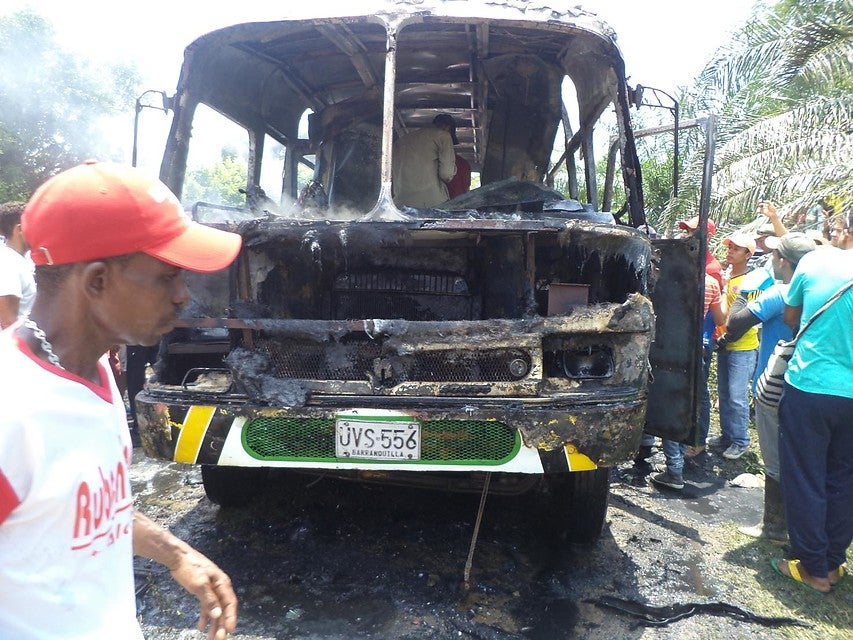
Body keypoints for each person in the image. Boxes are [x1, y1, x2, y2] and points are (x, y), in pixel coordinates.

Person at [0, 161, 241, 638]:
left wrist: (176, 552)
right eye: (167, 277)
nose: (184, 296)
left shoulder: (94, 372)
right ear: (96, 282)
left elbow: (73, 507)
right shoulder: (13, 409)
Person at [772, 211, 853, 593]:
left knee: (805, 477)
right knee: (844, 477)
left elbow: (791, 317)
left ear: (840, 232)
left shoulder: (816, 262)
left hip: (812, 386)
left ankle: (814, 569)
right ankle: (833, 562)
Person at [725, 233, 816, 541]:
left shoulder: (780, 293)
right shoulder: (822, 292)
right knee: (806, 458)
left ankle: (775, 527)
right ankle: (804, 528)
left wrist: (743, 293)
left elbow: (736, 322)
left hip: (774, 386)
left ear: (783, 262)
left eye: (775, 256)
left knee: (775, 459)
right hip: (811, 387)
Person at [651, 272, 726, 490]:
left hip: (663, 346)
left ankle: (673, 470)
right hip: (693, 348)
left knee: (661, 402)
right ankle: (680, 455)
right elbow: (721, 319)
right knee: (684, 403)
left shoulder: (662, 278)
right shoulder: (711, 283)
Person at [713, 232, 759, 460]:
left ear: (748, 255)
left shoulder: (750, 283)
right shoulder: (728, 278)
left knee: (737, 396)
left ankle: (741, 441)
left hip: (742, 347)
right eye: (729, 246)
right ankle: (727, 436)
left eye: (736, 248)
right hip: (725, 345)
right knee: (724, 393)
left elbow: (742, 318)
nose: (730, 251)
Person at [392, 113, 458, 208]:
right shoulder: (444, 136)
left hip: (400, 203)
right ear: (447, 127)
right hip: (431, 202)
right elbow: (446, 174)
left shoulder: (400, 141)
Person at [0, 201, 36, 329]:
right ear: (19, 229)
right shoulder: (9, 262)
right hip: (14, 345)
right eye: (34, 226)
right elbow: (8, 320)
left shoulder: (17, 260)